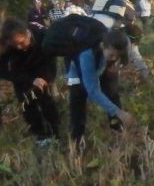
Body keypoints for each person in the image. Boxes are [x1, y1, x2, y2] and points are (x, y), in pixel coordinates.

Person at [67, 28, 135, 142]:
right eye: (112, 55)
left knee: (112, 93)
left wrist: (115, 65)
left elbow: (119, 57)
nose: (115, 58)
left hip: (101, 63)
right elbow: (92, 90)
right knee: (78, 101)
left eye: (117, 56)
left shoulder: (121, 44)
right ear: (102, 46)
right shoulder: (86, 55)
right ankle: (77, 141)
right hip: (75, 69)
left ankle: (118, 132)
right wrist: (118, 112)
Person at [0, 18, 60, 146]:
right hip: (21, 71)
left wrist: (45, 78)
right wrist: (29, 79)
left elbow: (51, 62)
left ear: (27, 33)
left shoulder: (43, 36)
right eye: (14, 44)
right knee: (26, 103)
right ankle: (39, 133)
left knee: (46, 101)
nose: (19, 47)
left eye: (21, 43)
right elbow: (4, 71)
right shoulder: (6, 46)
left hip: (41, 66)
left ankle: (55, 133)